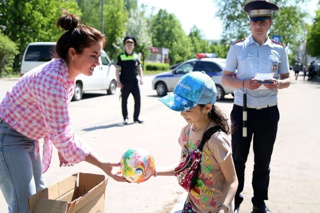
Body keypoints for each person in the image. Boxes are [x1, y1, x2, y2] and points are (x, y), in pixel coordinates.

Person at [0, 10, 126, 213]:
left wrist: (61, 145)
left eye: (99, 56)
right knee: (23, 205)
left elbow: (56, 120)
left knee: (39, 198)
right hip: (8, 137)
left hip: (27, 138)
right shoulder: (52, 80)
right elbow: (62, 133)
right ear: (73, 53)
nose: (98, 63)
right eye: (93, 56)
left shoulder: (65, 74)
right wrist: (102, 164)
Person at [221, 1, 291, 213]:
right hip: (242, 111)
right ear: (249, 23)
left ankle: (259, 203)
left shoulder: (279, 50)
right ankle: (236, 201)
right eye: (254, 21)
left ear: (270, 23)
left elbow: (287, 79)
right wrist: (243, 83)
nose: (258, 25)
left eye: (262, 21)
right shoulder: (238, 47)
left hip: (269, 112)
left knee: (263, 161)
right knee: (238, 159)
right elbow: (225, 78)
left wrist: (278, 84)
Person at [156, 72, 238, 213]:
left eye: (187, 109)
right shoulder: (186, 132)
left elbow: (232, 181)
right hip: (191, 206)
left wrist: (224, 208)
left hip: (215, 209)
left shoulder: (217, 140)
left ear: (207, 108)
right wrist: (154, 171)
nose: (182, 113)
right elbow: (183, 167)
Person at [115, 36, 144, 125]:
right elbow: (117, 70)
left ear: (133, 46)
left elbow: (139, 68)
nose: (129, 45)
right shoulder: (121, 56)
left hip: (134, 82)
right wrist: (118, 81)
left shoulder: (136, 56)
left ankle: (136, 118)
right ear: (125, 45)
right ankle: (125, 118)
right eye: (128, 44)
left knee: (138, 100)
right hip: (125, 82)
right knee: (124, 101)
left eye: (131, 44)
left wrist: (141, 78)